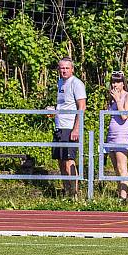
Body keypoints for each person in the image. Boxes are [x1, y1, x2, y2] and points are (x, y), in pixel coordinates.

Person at [52, 57, 86, 197]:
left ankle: (74, 193)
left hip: (70, 126)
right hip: (59, 126)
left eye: (67, 68)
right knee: (60, 161)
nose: (64, 70)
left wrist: (76, 128)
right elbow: (63, 104)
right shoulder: (60, 82)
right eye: (61, 68)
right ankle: (67, 191)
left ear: (72, 69)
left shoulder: (76, 83)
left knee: (69, 161)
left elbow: (82, 106)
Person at [104, 70, 128, 201]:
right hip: (111, 135)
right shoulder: (111, 97)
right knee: (115, 168)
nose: (115, 84)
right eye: (113, 82)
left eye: (118, 81)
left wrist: (117, 100)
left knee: (122, 167)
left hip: (122, 135)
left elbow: (124, 116)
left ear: (123, 83)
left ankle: (123, 198)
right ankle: (119, 193)